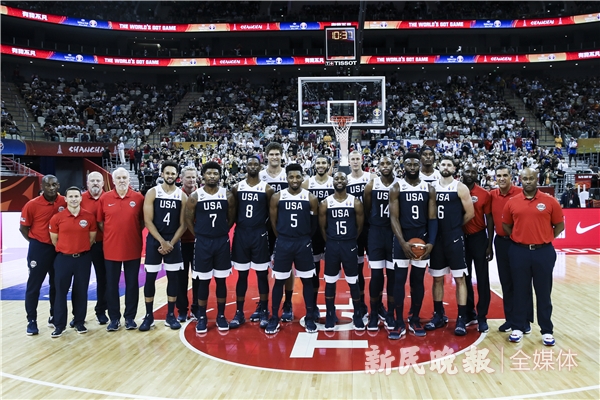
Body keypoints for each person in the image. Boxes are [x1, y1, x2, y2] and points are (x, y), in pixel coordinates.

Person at [503, 168, 564, 346]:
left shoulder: (550, 201)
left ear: (537, 179)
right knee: (520, 291)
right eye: (525, 178)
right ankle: (518, 327)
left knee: (544, 292)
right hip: (519, 251)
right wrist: (519, 237)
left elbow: (559, 225)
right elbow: (506, 225)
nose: (528, 181)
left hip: (543, 252)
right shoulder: (512, 202)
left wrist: (545, 238)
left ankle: (546, 330)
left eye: (531, 178)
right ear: (520, 180)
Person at [266, 164, 319, 334]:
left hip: (303, 243)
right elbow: (273, 223)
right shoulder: (277, 197)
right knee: (279, 281)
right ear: (286, 178)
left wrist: (303, 238)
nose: (295, 180)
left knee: (307, 281)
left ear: (302, 177)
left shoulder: (310, 198)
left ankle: (309, 317)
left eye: (298, 177)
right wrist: (284, 236)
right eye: (291, 177)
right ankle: (274, 317)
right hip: (284, 242)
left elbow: (314, 225)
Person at [389, 152, 437, 339]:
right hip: (402, 238)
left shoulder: (429, 188)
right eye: (408, 164)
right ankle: (399, 322)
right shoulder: (396, 187)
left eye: (414, 164)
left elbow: (432, 218)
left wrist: (431, 242)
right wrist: (402, 242)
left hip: (422, 239)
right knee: (399, 281)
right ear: (403, 166)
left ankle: (415, 318)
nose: (412, 167)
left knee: (417, 281)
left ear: (419, 166)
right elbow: (393, 217)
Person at [425, 156, 474, 336]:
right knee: (437, 278)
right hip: (436, 239)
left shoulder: (460, 188)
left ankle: (461, 318)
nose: (446, 167)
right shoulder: (432, 188)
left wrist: (453, 226)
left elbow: (470, 213)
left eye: (449, 165)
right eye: (443, 164)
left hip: (454, 237)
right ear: (439, 167)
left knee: (460, 277)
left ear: (454, 169)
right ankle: (439, 314)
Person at [185, 161, 236, 333]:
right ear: (203, 176)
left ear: (220, 176)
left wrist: (220, 232)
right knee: (203, 282)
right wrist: (200, 234)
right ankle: (202, 317)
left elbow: (231, 218)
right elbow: (188, 220)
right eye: (209, 173)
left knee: (221, 281)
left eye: (215, 173)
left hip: (221, 242)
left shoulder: (227, 195)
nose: (212, 176)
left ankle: (221, 315)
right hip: (203, 242)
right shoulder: (195, 196)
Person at [139, 161, 188, 332]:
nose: (170, 176)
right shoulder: (153, 193)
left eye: (173, 173)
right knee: (150, 278)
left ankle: (170, 315)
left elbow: (184, 224)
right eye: (167, 173)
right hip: (155, 240)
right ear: (162, 174)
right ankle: (148, 316)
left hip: (173, 241)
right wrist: (162, 242)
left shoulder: (182, 196)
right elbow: (147, 221)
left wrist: (170, 243)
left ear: (177, 176)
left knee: (173, 279)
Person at [97, 167, 145, 332]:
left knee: (132, 285)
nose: (122, 180)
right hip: (111, 249)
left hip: (132, 247)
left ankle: (130, 318)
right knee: (111, 285)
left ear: (129, 179)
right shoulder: (105, 198)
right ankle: (114, 319)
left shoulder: (138, 198)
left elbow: (142, 222)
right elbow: (101, 223)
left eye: (125, 177)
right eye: (119, 178)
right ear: (113, 180)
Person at [230, 156, 274, 329]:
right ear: (245, 166)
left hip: (259, 234)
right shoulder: (236, 187)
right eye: (250, 163)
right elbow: (232, 212)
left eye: (256, 164)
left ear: (260, 166)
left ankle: (264, 310)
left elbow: (272, 216)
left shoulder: (267, 189)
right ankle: (239, 312)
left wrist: (263, 229)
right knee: (241, 275)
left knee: (262, 274)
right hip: (241, 234)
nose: (253, 166)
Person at [20, 175, 67, 335]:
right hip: (39, 249)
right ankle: (31, 321)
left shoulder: (64, 202)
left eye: (54, 184)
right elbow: (24, 228)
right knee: (34, 285)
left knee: (57, 285)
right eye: (48, 185)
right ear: (42, 186)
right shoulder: (31, 205)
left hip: (58, 249)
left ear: (59, 185)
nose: (52, 188)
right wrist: (36, 241)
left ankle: (54, 316)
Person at [490, 165, 533, 334]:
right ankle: (510, 319)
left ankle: (526, 321)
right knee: (506, 282)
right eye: (499, 175)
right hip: (500, 242)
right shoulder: (492, 195)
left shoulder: (521, 194)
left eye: (505, 175)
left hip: (519, 243)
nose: (502, 178)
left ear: (511, 177)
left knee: (522, 283)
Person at [48, 187, 97, 337]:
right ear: (66, 199)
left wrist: (79, 249)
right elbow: (54, 240)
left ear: (81, 198)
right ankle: (59, 325)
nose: (74, 199)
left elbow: (92, 238)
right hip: (63, 259)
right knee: (60, 293)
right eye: (71, 196)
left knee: (81, 292)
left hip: (83, 259)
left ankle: (79, 322)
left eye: (77, 196)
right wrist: (67, 249)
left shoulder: (89, 217)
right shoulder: (57, 218)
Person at [319, 172, 364, 330]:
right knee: (330, 281)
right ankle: (331, 312)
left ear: (347, 181)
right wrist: (331, 241)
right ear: (333, 182)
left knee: (353, 281)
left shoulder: (355, 202)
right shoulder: (326, 203)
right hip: (332, 245)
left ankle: (357, 313)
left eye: (342, 178)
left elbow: (359, 226)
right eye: (336, 178)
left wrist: (349, 239)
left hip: (349, 244)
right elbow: (322, 228)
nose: (339, 181)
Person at [259, 141, 294, 322]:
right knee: (262, 267)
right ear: (266, 156)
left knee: (287, 267)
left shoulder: (289, 175)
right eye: (271, 154)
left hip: (286, 226)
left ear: (282, 156)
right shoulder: (260, 176)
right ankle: (263, 302)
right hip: (265, 226)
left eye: (277, 154)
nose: (274, 157)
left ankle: (288, 302)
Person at [363, 155, 399, 331]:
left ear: (393, 165)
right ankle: (374, 313)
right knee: (376, 276)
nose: (385, 166)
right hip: (376, 233)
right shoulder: (372, 184)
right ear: (378, 167)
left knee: (392, 276)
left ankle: (391, 313)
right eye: (382, 163)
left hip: (393, 234)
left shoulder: (399, 184)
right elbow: (367, 209)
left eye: (388, 163)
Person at [461, 163, 494, 334]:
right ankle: (469, 313)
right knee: (464, 279)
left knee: (482, 279)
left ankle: (482, 317)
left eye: (473, 171)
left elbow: (489, 219)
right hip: (462, 240)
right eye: (467, 171)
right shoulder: (456, 190)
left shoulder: (484, 194)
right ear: (462, 173)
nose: (470, 174)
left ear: (477, 174)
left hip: (479, 238)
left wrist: (489, 244)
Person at [302, 154, 334, 321]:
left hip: (331, 232)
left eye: (323, 163)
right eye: (318, 162)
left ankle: (331, 308)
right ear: (314, 165)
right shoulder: (307, 184)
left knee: (331, 273)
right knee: (313, 272)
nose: (320, 165)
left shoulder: (334, 183)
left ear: (329, 165)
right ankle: (313, 306)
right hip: (313, 233)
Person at [346, 150, 375, 318]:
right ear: (348, 162)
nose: (355, 161)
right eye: (353, 159)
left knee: (376, 269)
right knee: (357, 269)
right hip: (353, 229)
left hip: (370, 227)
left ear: (362, 160)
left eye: (357, 159)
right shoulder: (345, 180)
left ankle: (375, 305)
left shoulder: (371, 178)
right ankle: (360, 303)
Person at [81, 171, 108, 325]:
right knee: (81, 281)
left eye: (98, 180)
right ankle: (79, 315)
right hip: (83, 246)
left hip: (103, 245)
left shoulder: (108, 198)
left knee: (103, 280)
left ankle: (101, 311)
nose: (95, 183)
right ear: (87, 183)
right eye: (92, 180)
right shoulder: (79, 198)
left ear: (103, 183)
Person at [176, 166, 199, 322]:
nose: (191, 180)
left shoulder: (202, 194)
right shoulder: (177, 194)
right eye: (188, 177)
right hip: (181, 242)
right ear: (181, 178)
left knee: (198, 278)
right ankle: (182, 310)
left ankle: (197, 308)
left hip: (199, 243)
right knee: (181, 279)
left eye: (193, 177)